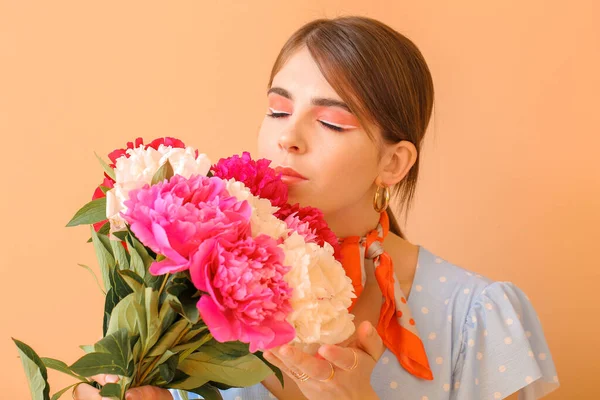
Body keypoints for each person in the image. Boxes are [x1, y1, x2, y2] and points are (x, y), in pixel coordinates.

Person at [74, 16, 559, 400]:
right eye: (278, 111)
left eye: (330, 122)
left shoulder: (474, 316)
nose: (288, 136)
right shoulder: (189, 280)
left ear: (393, 162)